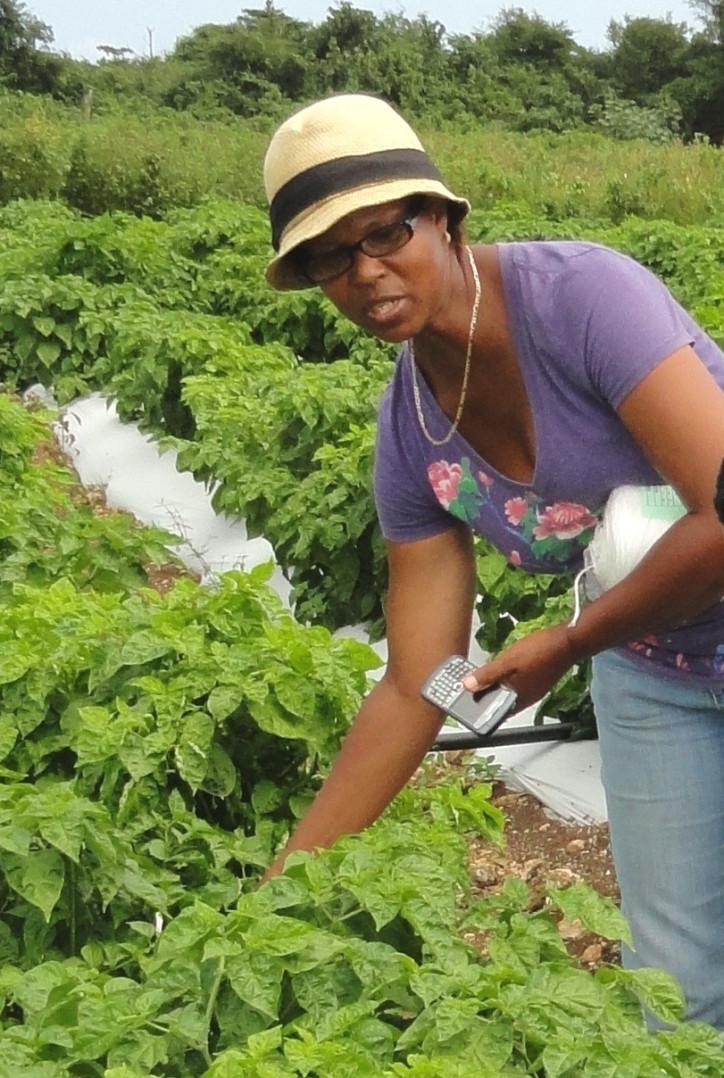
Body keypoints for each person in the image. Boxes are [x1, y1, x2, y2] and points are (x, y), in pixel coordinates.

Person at [261, 93, 724, 1029]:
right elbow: (415, 683)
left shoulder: (585, 298)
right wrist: (280, 890)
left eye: (385, 232)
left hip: (614, 634)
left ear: (444, 216)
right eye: (329, 257)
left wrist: (573, 638)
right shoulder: (412, 436)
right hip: (657, 674)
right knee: (675, 991)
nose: (366, 271)